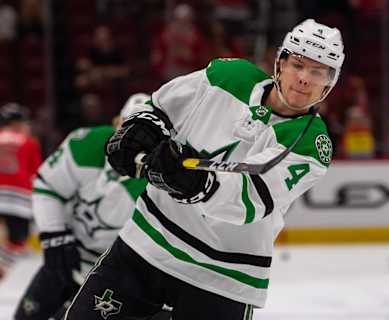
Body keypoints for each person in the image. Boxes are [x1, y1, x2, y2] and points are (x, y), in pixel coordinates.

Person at [64, 19, 345, 320]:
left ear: (329, 84)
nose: (304, 78)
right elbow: (162, 107)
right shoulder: (226, 76)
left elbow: (249, 201)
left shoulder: (312, 144)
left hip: (224, 276)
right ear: (279, 63)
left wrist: (197, 184)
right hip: (146, 244)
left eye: (318, 72)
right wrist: (140, 127)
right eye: (298, 65)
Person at [13, 94, 171, 320]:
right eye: (127, 126)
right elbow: (48, 187)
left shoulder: (159, 178)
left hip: (112, 272)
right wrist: (55, 235)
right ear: (116, 122)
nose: (132, 142)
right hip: (66, 253)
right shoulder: (87, 142)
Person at [0, 103, 42, 257]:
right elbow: (36, 173)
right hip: (19, 197)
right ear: (16, 123)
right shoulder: (29, 142)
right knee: (17, 241)